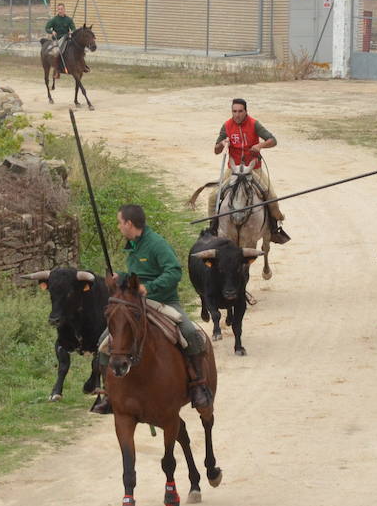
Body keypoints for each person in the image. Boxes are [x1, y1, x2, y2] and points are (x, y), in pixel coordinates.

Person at [89, 204, 211, 416]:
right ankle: (108, 393)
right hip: (135, 304)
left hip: (163, 302)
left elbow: (174, 272)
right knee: (104, 342)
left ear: (129, 223)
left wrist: (150, 287)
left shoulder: (156, 244)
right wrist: (122, 277)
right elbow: (138, 274)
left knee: (190, 332)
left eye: (120, 223)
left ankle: (199, 385)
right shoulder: (133, 245)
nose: (119, 227)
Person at [213, 98, 290, 244]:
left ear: (246, 111)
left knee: (272, 197)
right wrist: (222, 144)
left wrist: (260, 146)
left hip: (254, 169)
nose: (237, 115)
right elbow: (216, 150)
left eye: (240, 111)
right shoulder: (227, 126)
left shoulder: (255, 124)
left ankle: (274, 230)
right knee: (213, 197)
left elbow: (273, 140)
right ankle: (212, 230)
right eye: (234, 111)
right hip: (234, 170)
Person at [44, 2, 75, 75]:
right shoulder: (54, 20)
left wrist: (72, 32)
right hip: (57, 40)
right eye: (59, 9)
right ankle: (57, 69)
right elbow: (47, 28)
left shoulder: (69, 20)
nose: (60, 10)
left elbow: (73, 29)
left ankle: (81, 66)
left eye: (61, 9)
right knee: (56, 53)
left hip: (66, 39)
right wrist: (52, 32)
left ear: (64, 9)